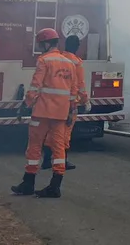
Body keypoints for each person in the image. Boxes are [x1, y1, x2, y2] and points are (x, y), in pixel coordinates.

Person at [11, 28, 77, 199]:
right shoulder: (69, 63)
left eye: (41, 44)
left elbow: (35, 86)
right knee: (58, 148)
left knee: (34, 146)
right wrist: (72, 110)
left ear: (47, 44)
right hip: (61, 114)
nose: (40, 47)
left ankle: (28, 182)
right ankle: (55, 186)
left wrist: (25, 105)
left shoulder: (44, 61)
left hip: (42, 112)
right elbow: (73, 90)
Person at [43, 34, 87, 172]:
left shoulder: (59, 58)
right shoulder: (76, 62)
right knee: (65, 133)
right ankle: (62, 161)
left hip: (54, 102)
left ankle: (46, 160)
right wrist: (84, 100)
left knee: (52, 132)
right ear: (77, 46)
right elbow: (79, 85)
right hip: (69, 104)